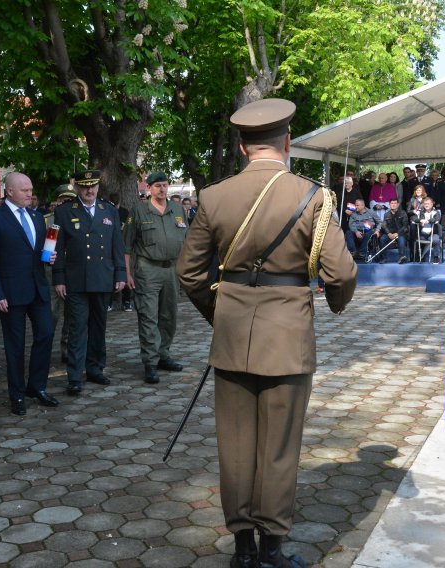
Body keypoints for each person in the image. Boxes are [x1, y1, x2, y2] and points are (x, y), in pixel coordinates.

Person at [177, 98, 357, 568]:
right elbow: (340, 273)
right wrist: (334, 306)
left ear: (241, 147)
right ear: (287, 143)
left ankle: (242, 551)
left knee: (235, 446)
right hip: (288, 338)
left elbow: (190, 274)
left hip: (234, 337)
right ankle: (272, 549)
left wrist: (224, 313)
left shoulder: (214, 196)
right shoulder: (311, 196)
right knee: (278, 448)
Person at [0, 172, 59, 416]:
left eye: (31, 189)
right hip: (10, 293)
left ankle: (37, 386)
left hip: (37, 288)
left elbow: (36, 251)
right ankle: (16, 394)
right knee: (14, 345)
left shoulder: (36, 217)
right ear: (10, 191)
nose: (30, 194)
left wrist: (48, 257)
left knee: (46, 334)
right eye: (25, 190)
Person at [54, 170, 126, 396]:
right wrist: (58, 278)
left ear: (98, 186)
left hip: (103, 277)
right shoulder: (64, 211)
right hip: (76, 280)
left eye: (93, 186)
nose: (89, 190)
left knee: (99, 326)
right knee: (77, 329)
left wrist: (121, 274)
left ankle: (95, 368)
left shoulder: (109, 211)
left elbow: (117, 245)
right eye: (85, 186)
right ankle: (74, 376)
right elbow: (57, 248)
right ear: (76, 187)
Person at [123, 171, 187, 384]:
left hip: (171, 270)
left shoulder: (177, 210)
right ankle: (150, 363)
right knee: (149, 316)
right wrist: (127, 273)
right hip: (147, 269)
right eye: (158, 185)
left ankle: (164, 355)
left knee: (169, 315)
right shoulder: (139, 211)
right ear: (149, 188)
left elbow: (186, 242)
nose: (162, 189)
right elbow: (127, 246)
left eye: (165, 185)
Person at [46, 183, 77, 362]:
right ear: (58, 201)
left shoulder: (79, 216)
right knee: (51, 314)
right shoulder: (51, 221)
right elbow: (48, 251)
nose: (67, 203)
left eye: (70, 200)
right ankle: (45, 347)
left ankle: (67, 349)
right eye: (64, 199)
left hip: (73, 272)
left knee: (72, 315)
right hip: (52, 273)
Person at [379, 198, 409, 263]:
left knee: (402, 240)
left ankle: (401, 257)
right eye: (392, 203)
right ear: (389, 205)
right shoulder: (386, 214)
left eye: (395, 203)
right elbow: (384, 225)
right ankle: (383, 258)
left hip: (400, 233)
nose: (393, 205)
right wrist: (388, 233)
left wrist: (397, 233)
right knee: (382, 239)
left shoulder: (403, 213)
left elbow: (405, 226)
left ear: (398, 204)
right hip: (389, 233)